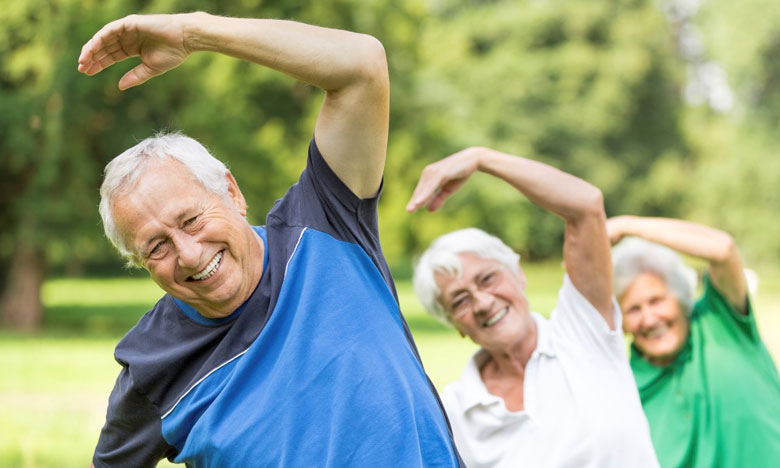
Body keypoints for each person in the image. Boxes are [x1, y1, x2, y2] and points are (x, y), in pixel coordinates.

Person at [78, 12, 463, 468]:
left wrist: (193, 32)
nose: (188, 254)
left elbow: (361, 65)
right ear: (140, 263)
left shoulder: (326, 223)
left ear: (232, 192)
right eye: (156, 247)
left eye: (191, 219)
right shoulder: (152, 366)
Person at [409, 147, 659, 468]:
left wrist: (481, 159)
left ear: (518, 274)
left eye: (487, 279)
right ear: (455, 324)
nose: (483, 303)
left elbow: (585, 206)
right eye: (460, 300)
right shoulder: (457, 411)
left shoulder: (582, 331)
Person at [608, 216, 780, 468]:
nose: (649, 318)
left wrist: (627, 226)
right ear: (621, 322)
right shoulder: (625, 388)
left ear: (680, 296)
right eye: (633, 309)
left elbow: (722, 250)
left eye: (656, 301)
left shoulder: (722, 322)